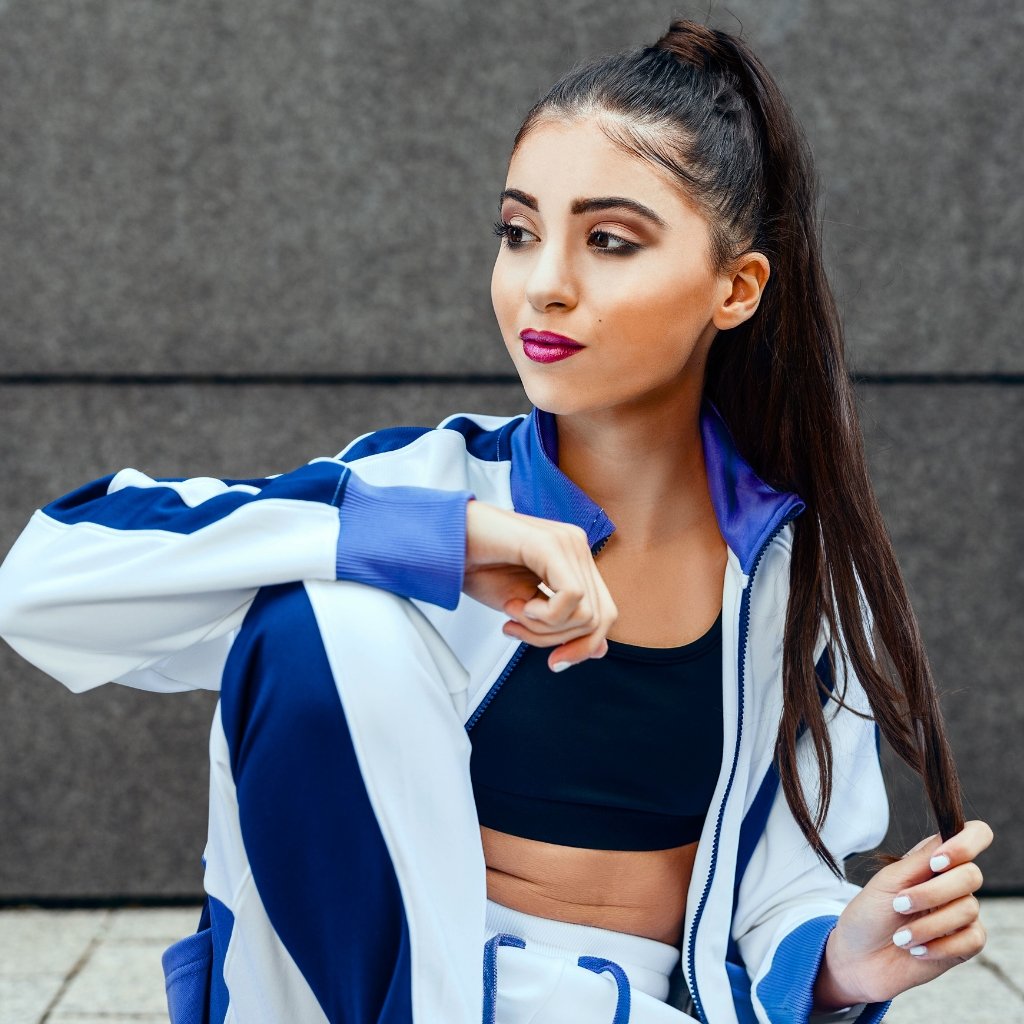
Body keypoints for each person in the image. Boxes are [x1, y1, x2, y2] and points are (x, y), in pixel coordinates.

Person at [0, 17, 994, 1024]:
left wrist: (839, 959)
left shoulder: (804, 579)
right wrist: (447, 541)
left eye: (608, 240)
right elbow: (41, 585)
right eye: (519, 232)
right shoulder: (420, 487)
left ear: (732, 289)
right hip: (380, 992)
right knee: (327, 623)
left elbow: (782, 883)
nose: (543, 282)